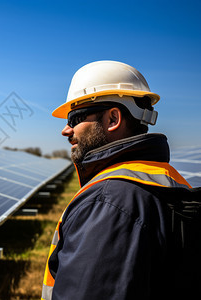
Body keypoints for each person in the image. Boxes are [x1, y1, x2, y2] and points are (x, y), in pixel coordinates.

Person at [41, 60, 197, 300]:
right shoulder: (170, 183)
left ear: (113, 119)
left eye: (74, 118)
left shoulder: (109, 202)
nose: (66, 130)